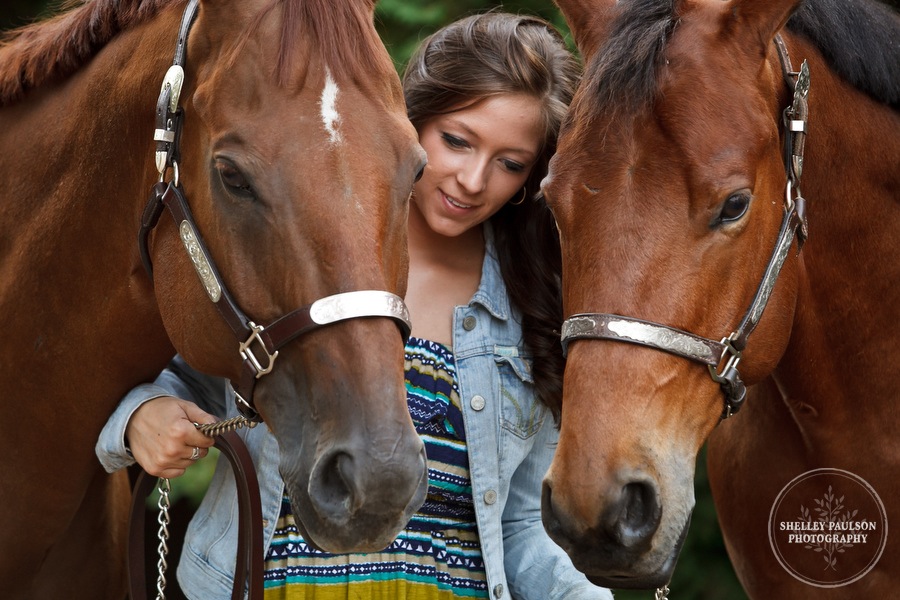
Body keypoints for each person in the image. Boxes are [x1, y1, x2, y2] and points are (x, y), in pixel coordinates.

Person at [97, 11, 613, 600]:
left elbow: (522, 526)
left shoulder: (532, 311)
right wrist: (143, 416)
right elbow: (191, 369)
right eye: (457, 141)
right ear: (405, 124)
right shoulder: (311, 259)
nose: (473, 179)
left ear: (528, 180)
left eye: (510, 163)